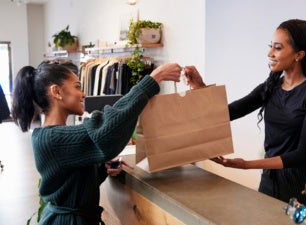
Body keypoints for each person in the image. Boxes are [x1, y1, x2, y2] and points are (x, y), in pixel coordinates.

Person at [185, 19, 306, 219]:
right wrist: (199, 87)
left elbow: (303, 154)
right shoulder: (272, 86)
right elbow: (229, 112)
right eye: (270, 46)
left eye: (277, 48)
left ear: (299, 54)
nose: (269, 53)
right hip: (270, 183)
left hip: (305, 188)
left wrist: (246, 165)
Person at [11, 61, 182, 225]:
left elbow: (72, 181)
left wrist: (101, 167)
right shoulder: (51, 138)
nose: (83, 94)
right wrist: (153, 78)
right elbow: (106, 129)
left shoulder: (53, 135)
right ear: (56, 91)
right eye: (77, 87)